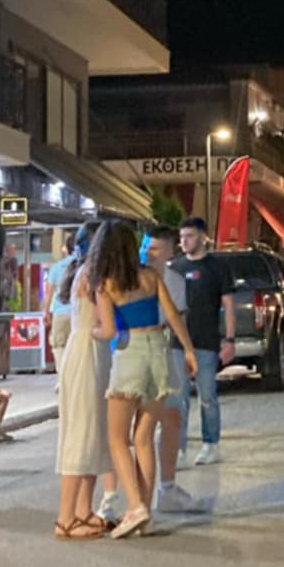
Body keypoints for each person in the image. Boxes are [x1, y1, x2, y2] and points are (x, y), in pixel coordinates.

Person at [90, 219, 197, 539]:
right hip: (158, 352)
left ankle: (135, 506)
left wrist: (92, 331)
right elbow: (173, 314)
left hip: (130, 353)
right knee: (144, 438)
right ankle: (144, 512)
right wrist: (189, 350)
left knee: (117, 438)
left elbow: (109, 330)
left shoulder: (106, 284)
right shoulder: (151, 276)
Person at [53, 237, 115, 539]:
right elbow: (109, 328)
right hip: (89, 354)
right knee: (83, 433)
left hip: (80, 352)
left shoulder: (83, 272)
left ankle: (82, 511)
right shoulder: (98, 280)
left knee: (90, 433)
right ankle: (66, 518)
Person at [142, 226, 201, 515]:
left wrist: (187, 350)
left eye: (156, 248)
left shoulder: (175, 280)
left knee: (172, 415)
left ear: (169, 252)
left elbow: (177, 319)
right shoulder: (132, 276)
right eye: (146, 247)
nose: (149, 253)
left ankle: (166, 487)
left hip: (165, 351)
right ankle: (123, 496)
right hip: (135, 352)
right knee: (138, 426)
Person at [172, 217, 236, 463]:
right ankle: (178, 448)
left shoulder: (217, 267)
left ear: (202, 236)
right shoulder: (175, 267)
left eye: (189, 236)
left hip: (206, 341)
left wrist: (229, 339)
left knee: (207, 396)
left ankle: (211, 444)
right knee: (178, 398)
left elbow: (228, 304)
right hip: (178, 343)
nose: (184, 241)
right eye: (182, 237)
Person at [46, 227, 89, 360]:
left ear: (67, 248)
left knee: (60, 348)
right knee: (78, 352)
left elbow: (48, 293)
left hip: (60, 313)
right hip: (79, 314)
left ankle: (62, 372)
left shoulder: (56, 267)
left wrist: (46, 312)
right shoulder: (85, 267)